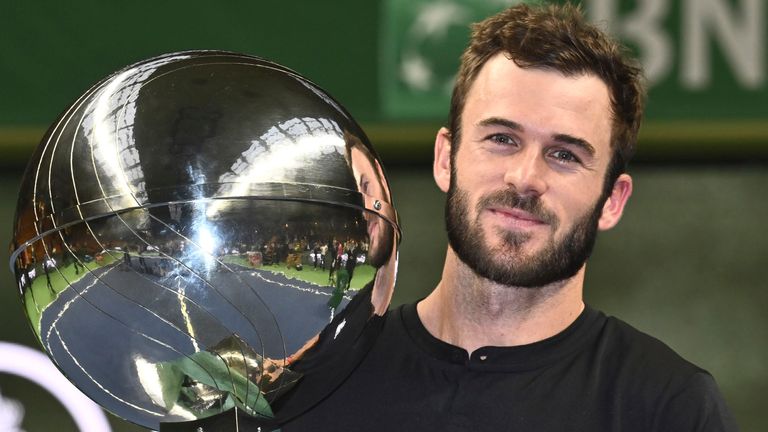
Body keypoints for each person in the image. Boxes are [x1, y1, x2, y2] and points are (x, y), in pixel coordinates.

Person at [282, 2, 737, 431]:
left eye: (564, 154)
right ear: (446, 158)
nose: (524, 177)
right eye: (501, 138)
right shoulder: (319, 380)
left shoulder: (668, 407)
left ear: (612, 200)